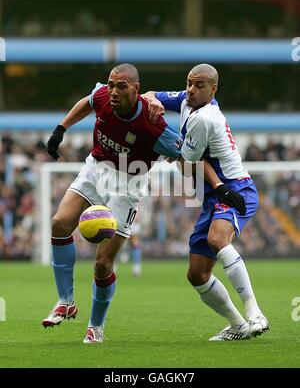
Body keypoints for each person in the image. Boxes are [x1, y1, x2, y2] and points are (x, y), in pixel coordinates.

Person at [43, 63, 246, 344]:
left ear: (135, 89)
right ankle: (65, 300)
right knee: (59, 224)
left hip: (128, 184)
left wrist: (219, 186)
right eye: (111, 85)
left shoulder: (155, 127)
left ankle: (95, 327)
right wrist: (60, 128)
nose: (112, 91)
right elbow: (87, 102)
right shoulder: (103, 96)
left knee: (103, 264)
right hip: (96, 170)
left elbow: (190, 158)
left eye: (121, 87)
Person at [143, 63, 269, 341]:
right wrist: (152, 103)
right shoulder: (187, 100)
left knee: (217, 239)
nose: (191, 89)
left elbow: (188, 163)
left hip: (235, 189)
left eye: (199, 85)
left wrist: (164, 141)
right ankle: (238, 325)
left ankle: (255, 312)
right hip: (215, 194)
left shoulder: (205, 117)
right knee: (197, 274)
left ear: (213, 90)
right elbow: (150, 94)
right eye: (189, 82)